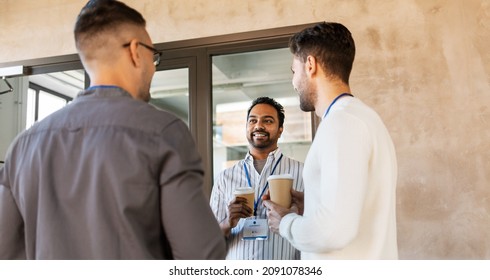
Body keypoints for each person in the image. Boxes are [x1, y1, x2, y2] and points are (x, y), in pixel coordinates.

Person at [0, 0, 226, 260]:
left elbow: (6, 256)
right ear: (134, 51)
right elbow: (201, 257)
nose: (153, 66)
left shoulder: (22, 147)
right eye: (153, 55)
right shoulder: (163, 133)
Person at [263, 22, 398, 259]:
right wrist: (313, 204)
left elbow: (334, 231)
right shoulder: (363, 118)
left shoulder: (342, 123)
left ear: (310, 65)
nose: (294, 82)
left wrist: (285, 223)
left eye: (294, 72)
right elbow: (354, 209)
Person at [210, 96, 304, 260]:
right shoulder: (225, 178)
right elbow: (207, 241)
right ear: (247, 126)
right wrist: (227, 222)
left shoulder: (302, 172)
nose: (258, 126)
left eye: (267, 121)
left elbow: (317, 230)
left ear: (280, 128)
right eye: (253, 121)